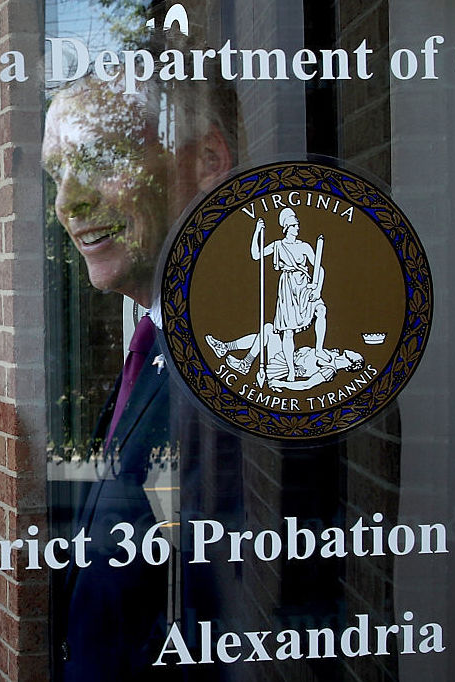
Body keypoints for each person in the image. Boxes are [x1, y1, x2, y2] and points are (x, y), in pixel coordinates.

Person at [43, 61, 237, 680]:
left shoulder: (242, 362)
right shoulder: (164, 332)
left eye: (100, 155)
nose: (67, 201)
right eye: (56, 173)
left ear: (207, 161)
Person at [249, 208, 327, 380]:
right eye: (294, 225)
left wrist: (317, 289)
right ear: (286, 228)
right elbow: (256, 255)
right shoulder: (278, 245)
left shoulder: (304, 246)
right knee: (288, 332)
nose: (297, 228)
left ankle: (319, 349)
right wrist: (257, 231)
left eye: (297, 225)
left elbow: (319, 268)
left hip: (305, 285)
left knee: (321, 310)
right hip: (287, 289)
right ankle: (291, 369)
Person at [206, 323, 363, 390]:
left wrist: (281, 384)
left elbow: (307, 385)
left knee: (267, 330)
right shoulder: (333, 353)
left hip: (281, 367)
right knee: (265, 333)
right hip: (286, 356)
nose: (356, 352)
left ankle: (244, 364)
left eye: (357, 356)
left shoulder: (329, 370)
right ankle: (225, 348)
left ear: (352, 364)